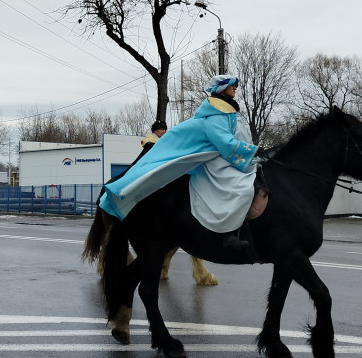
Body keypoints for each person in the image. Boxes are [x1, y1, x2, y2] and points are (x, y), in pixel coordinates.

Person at [99, 75, 260, 252]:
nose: (236, 88)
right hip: (212, 157)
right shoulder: (216, 115)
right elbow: (225, 143)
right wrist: (251, 150)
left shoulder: (223, 111)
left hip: (216, 155)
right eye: (232, 85)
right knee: (240, 187)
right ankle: (230, 233)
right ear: (222, 89)